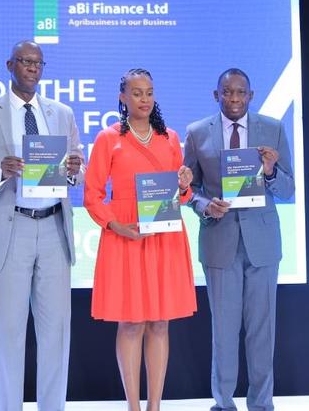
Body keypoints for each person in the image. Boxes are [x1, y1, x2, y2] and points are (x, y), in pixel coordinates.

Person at [0, 40, 84, 411]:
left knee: (55, 335)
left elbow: (76, 165)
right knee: (9, 335)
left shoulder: (60, 113)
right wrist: (0, 171)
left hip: (53, 228)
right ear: (10, 65)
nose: (32, 68)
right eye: (25, 62)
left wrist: (75, 171)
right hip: (10, 229)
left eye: (38, 63)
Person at [83, 68, 197, 411]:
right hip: (125, 237)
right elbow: (91, 195)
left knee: (159, 322)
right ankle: (132, 405)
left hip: (164, 239)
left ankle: (154, 406)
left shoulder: (170, 138)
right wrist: (115, 225)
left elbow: (183, 196)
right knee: (131, 322)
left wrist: (183, 185)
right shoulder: (108, 138)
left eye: (148, 92)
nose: (144, 99)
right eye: (136, 93)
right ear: (122, 98)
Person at [184, 68, 295, 411]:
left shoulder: (272, 129)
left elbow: (289, 190)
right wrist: (205, 206)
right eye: (227, 93)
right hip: (220, 241)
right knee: (224, 331)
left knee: (263, 331)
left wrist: (273, 171)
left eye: (240, 93)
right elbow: (188, 189)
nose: (234, 99)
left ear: (251, 95)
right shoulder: (197, 132)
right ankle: (223, 403)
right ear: (216, 95)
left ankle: (262, 404)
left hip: (262, 243)